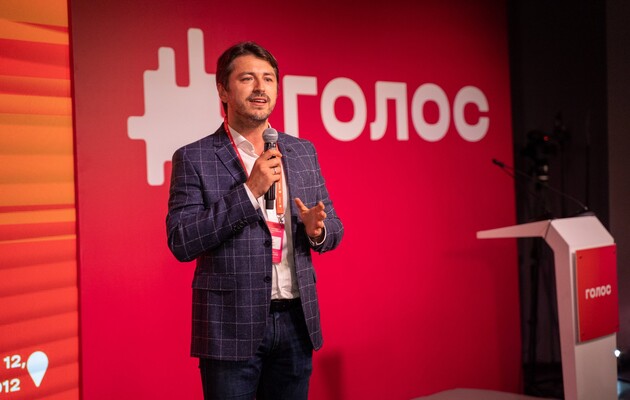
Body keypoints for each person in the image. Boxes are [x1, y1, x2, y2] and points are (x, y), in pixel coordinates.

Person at [166, 41, 344, 399]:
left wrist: (318, 230)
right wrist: (249, 192)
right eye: (247, 78)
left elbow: (335, 227)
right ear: (223, 90)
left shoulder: (302, 151)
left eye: (269, 79)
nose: (261, 87)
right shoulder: (194, 157)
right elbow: (182, 240)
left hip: (296, 322)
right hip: (230, 326)